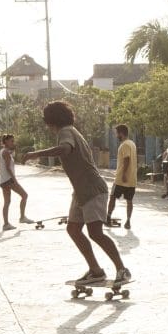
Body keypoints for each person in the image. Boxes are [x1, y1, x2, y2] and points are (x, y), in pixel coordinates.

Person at [23, 101, 131, 285]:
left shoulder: (65, 131)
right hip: (81, 192)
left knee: (95, 232)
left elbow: (65, 149)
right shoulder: (71, 130)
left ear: (51, 120)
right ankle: (96, 271)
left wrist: (36, 154)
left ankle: (122, 270)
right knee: (73, 229)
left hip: (92, 189)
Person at [0, 134, 34, 231]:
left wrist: (2, 177)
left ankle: (6, 224)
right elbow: (8, 168)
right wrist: (14, 180)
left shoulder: (2, 151)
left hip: (3, 181)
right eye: (12, 141)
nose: (13, 143)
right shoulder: (6, 153)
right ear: (6, 142)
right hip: (9, 180)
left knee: (7, 202)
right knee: (24, 195)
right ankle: (22, 217)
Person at [106, 124, 137, 230]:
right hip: (132, 179)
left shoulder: (125, 145)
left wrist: (123, 174)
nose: (116, 136)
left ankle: (108, 217)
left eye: (116, 133)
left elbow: (127, 159)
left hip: (121, 179)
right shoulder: (132, 143)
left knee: (112, 197)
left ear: (121, 133)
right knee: (129, 200)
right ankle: (128, 221)